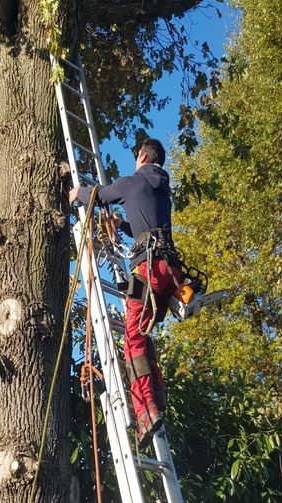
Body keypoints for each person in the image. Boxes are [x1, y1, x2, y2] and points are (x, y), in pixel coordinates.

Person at [69, 138, 182, 443]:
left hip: (149, 268)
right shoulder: (162, 190)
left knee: (132, 342)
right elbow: (147, 225)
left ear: (143, 156)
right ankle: (156, 401)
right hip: (170, 270)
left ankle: (146, 412)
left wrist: (76, 193)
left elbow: (99, 196)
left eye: (136, 158)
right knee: (143, 338)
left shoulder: (133, 181)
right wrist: (122, 225)